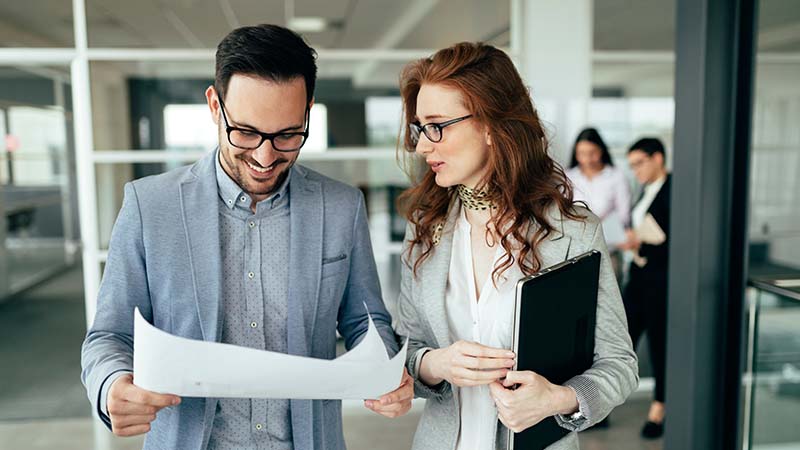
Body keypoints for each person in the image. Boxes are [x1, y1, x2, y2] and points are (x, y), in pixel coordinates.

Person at [80, 24, 413, 450]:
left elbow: (366, 322)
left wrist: (387, 370)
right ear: (215, 106)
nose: (265, 156)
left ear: (308, 111)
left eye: (288, 135)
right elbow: (108, 336)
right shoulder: (150, 206)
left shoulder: (341, 207)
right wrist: (112, 386)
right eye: (247, 132)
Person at [393, 42, 638, 450]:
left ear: (490, 124)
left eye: (436, 126)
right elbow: (405, 348)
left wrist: (558, 399)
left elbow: (619, 365)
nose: (421, 145)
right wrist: (435, 363)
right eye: (420, 128)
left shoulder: (573, 231)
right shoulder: (424, 226)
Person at [619, 137, 671, 439]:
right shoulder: (645, 190)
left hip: (660, 281)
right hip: (638, 277)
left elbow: (679, 238)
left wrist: (645, 244)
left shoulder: (674, 189)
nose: (635, 170)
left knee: (660, 344)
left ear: (658, 158)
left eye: (639, 163)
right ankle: (599, 402)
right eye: (632, 165)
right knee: (622, 339)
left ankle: (659, 409)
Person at [566, 128, 631, 280]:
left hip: (608, 249)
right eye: (582, 154)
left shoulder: (616, 176)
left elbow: (624, 215)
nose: (587, 159)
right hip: (575, 250)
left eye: (592, 153)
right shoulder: (568, 176)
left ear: (601, 151)